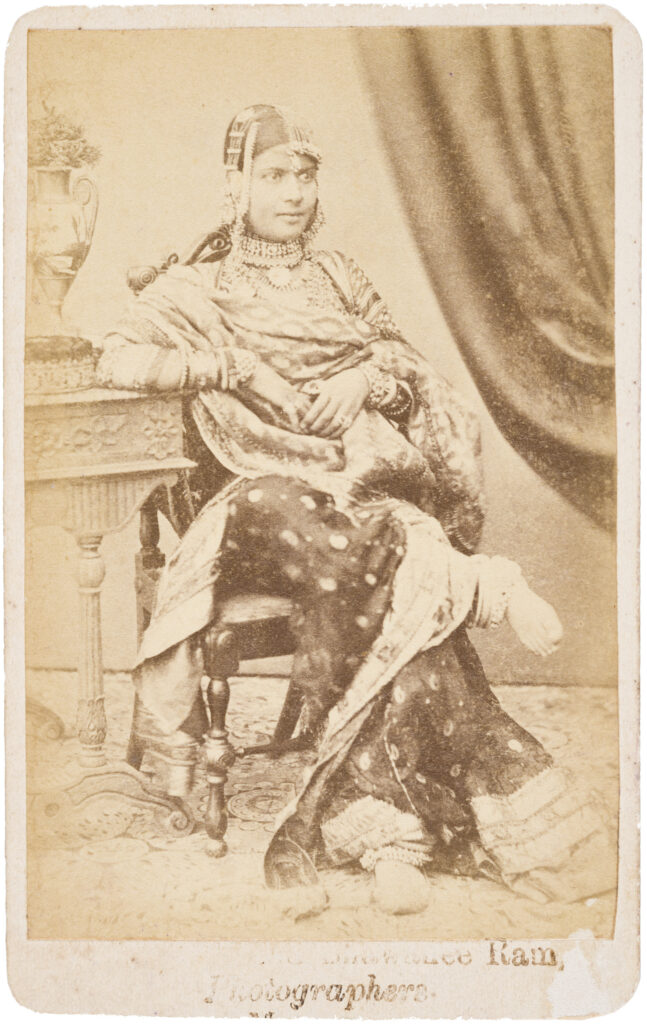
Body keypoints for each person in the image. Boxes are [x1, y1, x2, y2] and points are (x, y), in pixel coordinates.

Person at [97, 105, 613, 915]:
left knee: (391, 580)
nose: (293, 193)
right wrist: (235, 367)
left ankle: (386, 832)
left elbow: (407, 369)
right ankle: (477, 587)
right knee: (307, 511)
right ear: (235, 185)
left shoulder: (339, 277)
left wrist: (363, 380)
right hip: (256, 500)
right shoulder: (197, 286)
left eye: (305, 176)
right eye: (274, 176)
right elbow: (116, 358)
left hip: (358, 502)